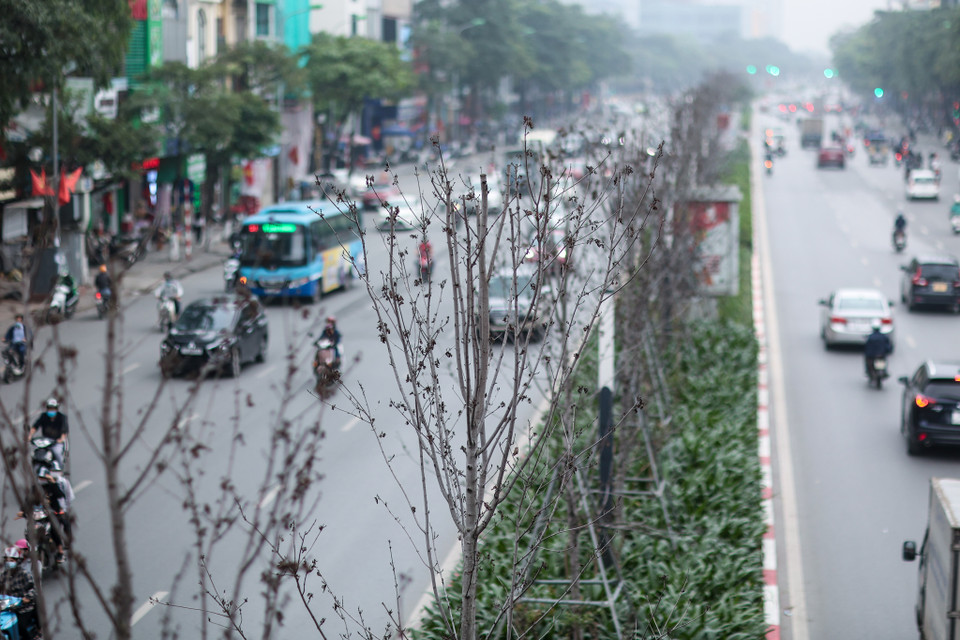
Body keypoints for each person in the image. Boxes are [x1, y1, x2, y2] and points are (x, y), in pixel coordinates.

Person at [0, 546, 38, 640]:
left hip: (23, 608)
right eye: (7, 560)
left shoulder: (24, 574)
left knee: (20, 626)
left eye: (12, 560)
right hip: (8, 608)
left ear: (17, 561)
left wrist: (26, 598)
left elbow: (33, 589)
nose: (9, 562)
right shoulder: (3, 576)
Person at [29, 398, 68, 470]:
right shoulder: (44, 416)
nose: (51, 410)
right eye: (49, 408)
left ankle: (60, 469)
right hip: (45, 441)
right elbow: (35, 426)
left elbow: (64, 430)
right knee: (36, 453)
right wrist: (30, 435)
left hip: (56, 442)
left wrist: (61, 439)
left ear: (56, 409)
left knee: (57, 452)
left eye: (53, 408)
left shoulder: (62, 418)